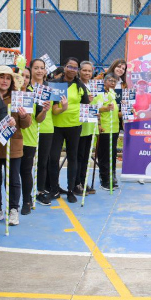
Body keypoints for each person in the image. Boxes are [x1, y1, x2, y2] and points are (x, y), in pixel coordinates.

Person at [0, 66, 31, 225]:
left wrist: (24, 116)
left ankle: (13, 210)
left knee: (13, 179)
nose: (4, 81)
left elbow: (26, 124)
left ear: (12, 81)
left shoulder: (18, 97)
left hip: (13, 145)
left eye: (8, 78)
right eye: (1, 77)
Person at [48, 57, 90, 203]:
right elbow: (53, 109)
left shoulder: (80, 86)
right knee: (53, 158)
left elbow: (86, 105)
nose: (72, 69)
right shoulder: (55, 84)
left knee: (73, 158)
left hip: (74, 126)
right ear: (64, 67)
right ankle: (54, 189)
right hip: (57, 126)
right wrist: (62, 108)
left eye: (75, 67)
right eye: (69, 66)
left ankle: (71, 189)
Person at [20, 66, 51, 214]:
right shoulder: (7, 94)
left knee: (26, 172)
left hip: (30, 139)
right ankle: (12, 204)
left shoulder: (34, 95)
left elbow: (38, 119)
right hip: (12, 140)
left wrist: (44, 111)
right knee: (12, 175)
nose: (24, 79)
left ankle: (27, 200)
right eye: (21, 76)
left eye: (26, 77)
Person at [26, 58, 56, 205]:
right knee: (28, 163)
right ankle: (27, 194)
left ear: (45, 70)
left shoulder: (49, 88)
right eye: (36, 68)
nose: (39, 71)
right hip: (30, 129)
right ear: (31, 69)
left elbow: (55, 110)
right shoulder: (26, 88)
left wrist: (62, 106)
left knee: (43, 162)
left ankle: (40, 191)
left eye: (42, 68)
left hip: (46, 129)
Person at [96, 72, 121, 190]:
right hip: (105, 129)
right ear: (104, 81)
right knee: (104, 155)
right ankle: (104, 179)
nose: (112, 83)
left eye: (114, 81)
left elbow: (115, 111)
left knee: (112, 154)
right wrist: (99, 124)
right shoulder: (100, 94)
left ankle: (111, 177)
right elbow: (96, 109)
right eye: (110, 80)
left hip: (114, 128)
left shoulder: (113, 94)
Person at [75, 61, 97, 195]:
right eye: (84, 70)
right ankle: (76, 183)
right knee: (78, 156)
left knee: (85, 157)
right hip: (80, 125)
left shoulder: (94, 85)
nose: (87, 73)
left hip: (90, 126)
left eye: (89, 71)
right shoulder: (77, 85)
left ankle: (83, 182)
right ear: (79, 71)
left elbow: (97, 103)